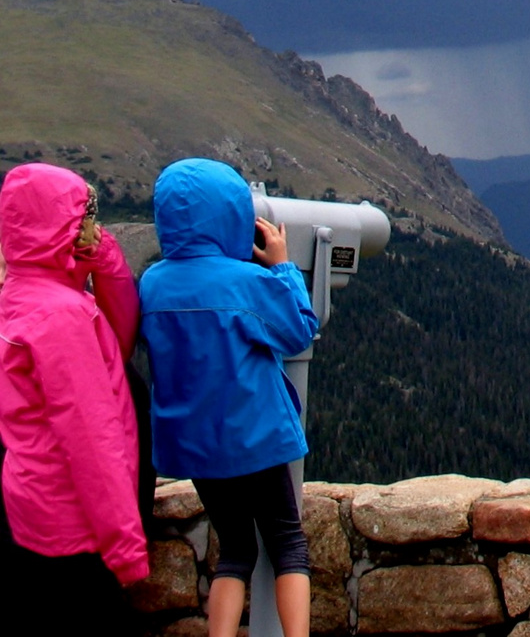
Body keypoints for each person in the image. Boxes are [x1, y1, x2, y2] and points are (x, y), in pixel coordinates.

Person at [141, 158, 319, 637]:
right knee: (288, 543)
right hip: (255, 436)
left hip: (194, 447)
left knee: (236, 549)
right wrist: (282, 266)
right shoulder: (245, 282)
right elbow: (298, 329)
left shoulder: (153, 284)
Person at [0, 163, 149, 634]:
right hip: (72, 526)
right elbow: (92, 438)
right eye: (81, 217)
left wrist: (97, 264)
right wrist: (126, 549)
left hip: (29, 512)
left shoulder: (19, 296)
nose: (90, 227)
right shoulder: (63, 319)